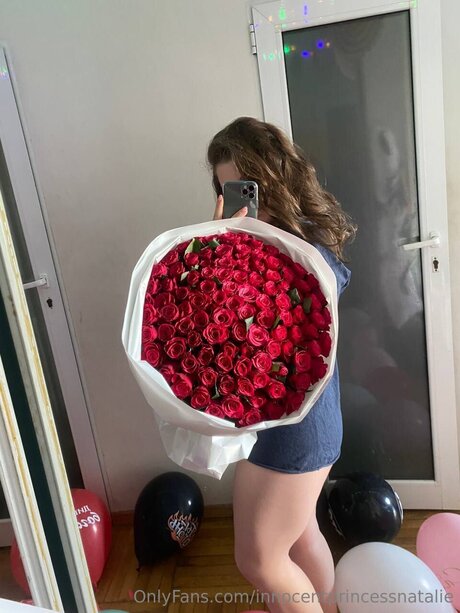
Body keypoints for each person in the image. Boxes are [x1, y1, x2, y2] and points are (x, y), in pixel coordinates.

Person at [206, 117, 357, 613]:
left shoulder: (304, 249)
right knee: (300, 534)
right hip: (288, 421)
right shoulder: (265, 241)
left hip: (298, 429)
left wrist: (230, 252)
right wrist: (227, 242)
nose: (240, 201)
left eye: (246, 187)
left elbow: (273, 332)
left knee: (259, 559)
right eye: (227, 189)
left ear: (272, 178)